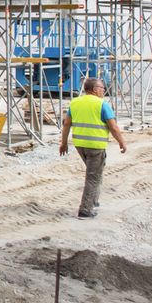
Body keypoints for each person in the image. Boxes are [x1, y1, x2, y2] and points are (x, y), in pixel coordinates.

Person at [59, 77, 126, 218]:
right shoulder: (102, 104)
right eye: (102, 88)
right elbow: (113, 127)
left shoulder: (75, 103)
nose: (103, 90)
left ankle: (93, 200)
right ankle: (85, 209)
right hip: (95, 146)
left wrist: (64, 143)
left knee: (95, 173)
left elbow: (66, 124)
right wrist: (121, 142)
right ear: (95, 89)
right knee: (93, 177)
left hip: (80, 145)